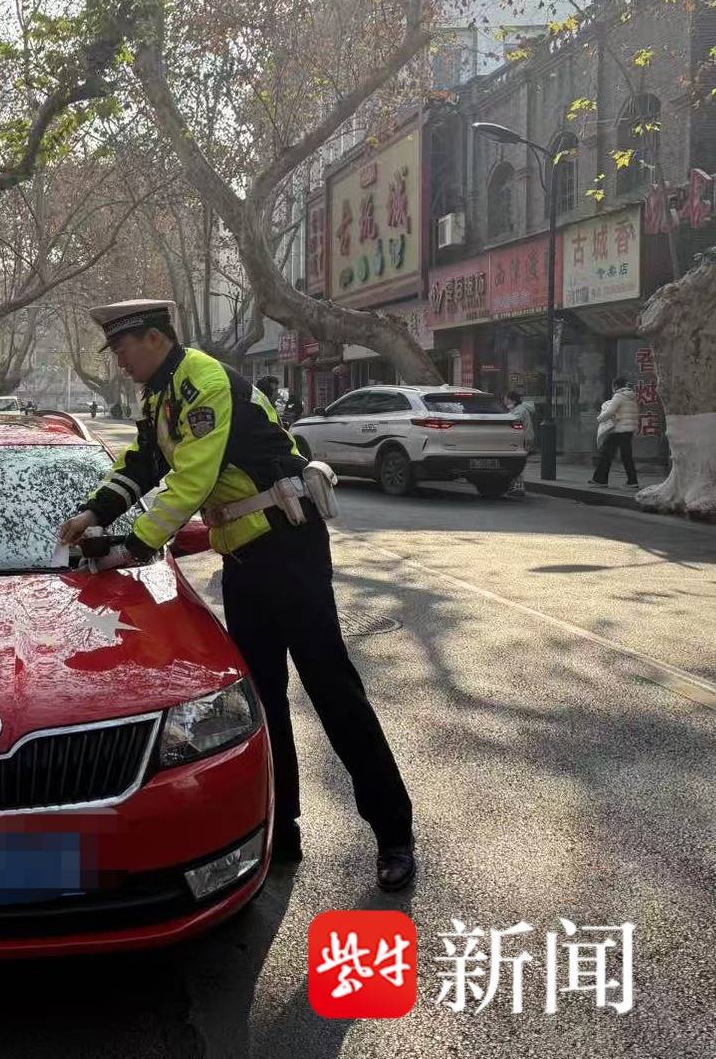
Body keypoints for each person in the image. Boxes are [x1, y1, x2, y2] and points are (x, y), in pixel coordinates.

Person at [56, 298, 415, 891]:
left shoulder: (202, 382)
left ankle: (393, 833)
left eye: (121, 348)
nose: (118, 361)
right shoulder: (160, 398)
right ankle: (284, 828)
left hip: (289, 548)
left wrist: (134, 545)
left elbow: (192, 479)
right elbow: (143, 462)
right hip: (243, 560)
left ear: (152, 339)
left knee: (332, 689)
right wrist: (94, 512)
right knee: (264, 699)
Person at [590, 377, 640, 488]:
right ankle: (632, 481)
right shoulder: (632, 397)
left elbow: (610, 412)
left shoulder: (619, 396)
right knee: (626, 456)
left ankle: (600, 480)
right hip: (628, 430)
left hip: (618, 429)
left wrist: (599, 418)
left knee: (606, 454)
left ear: (616, 386)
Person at [503, 390, 534, 499]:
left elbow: (513, 422)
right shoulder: (516, 409)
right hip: (522, 439)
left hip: (522, 440)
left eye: (506, 398)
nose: (504, 400)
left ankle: (518, 488)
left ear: (512, 400)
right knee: (517, 464)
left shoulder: (519, 411)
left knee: (517, 464)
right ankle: (516, 487)